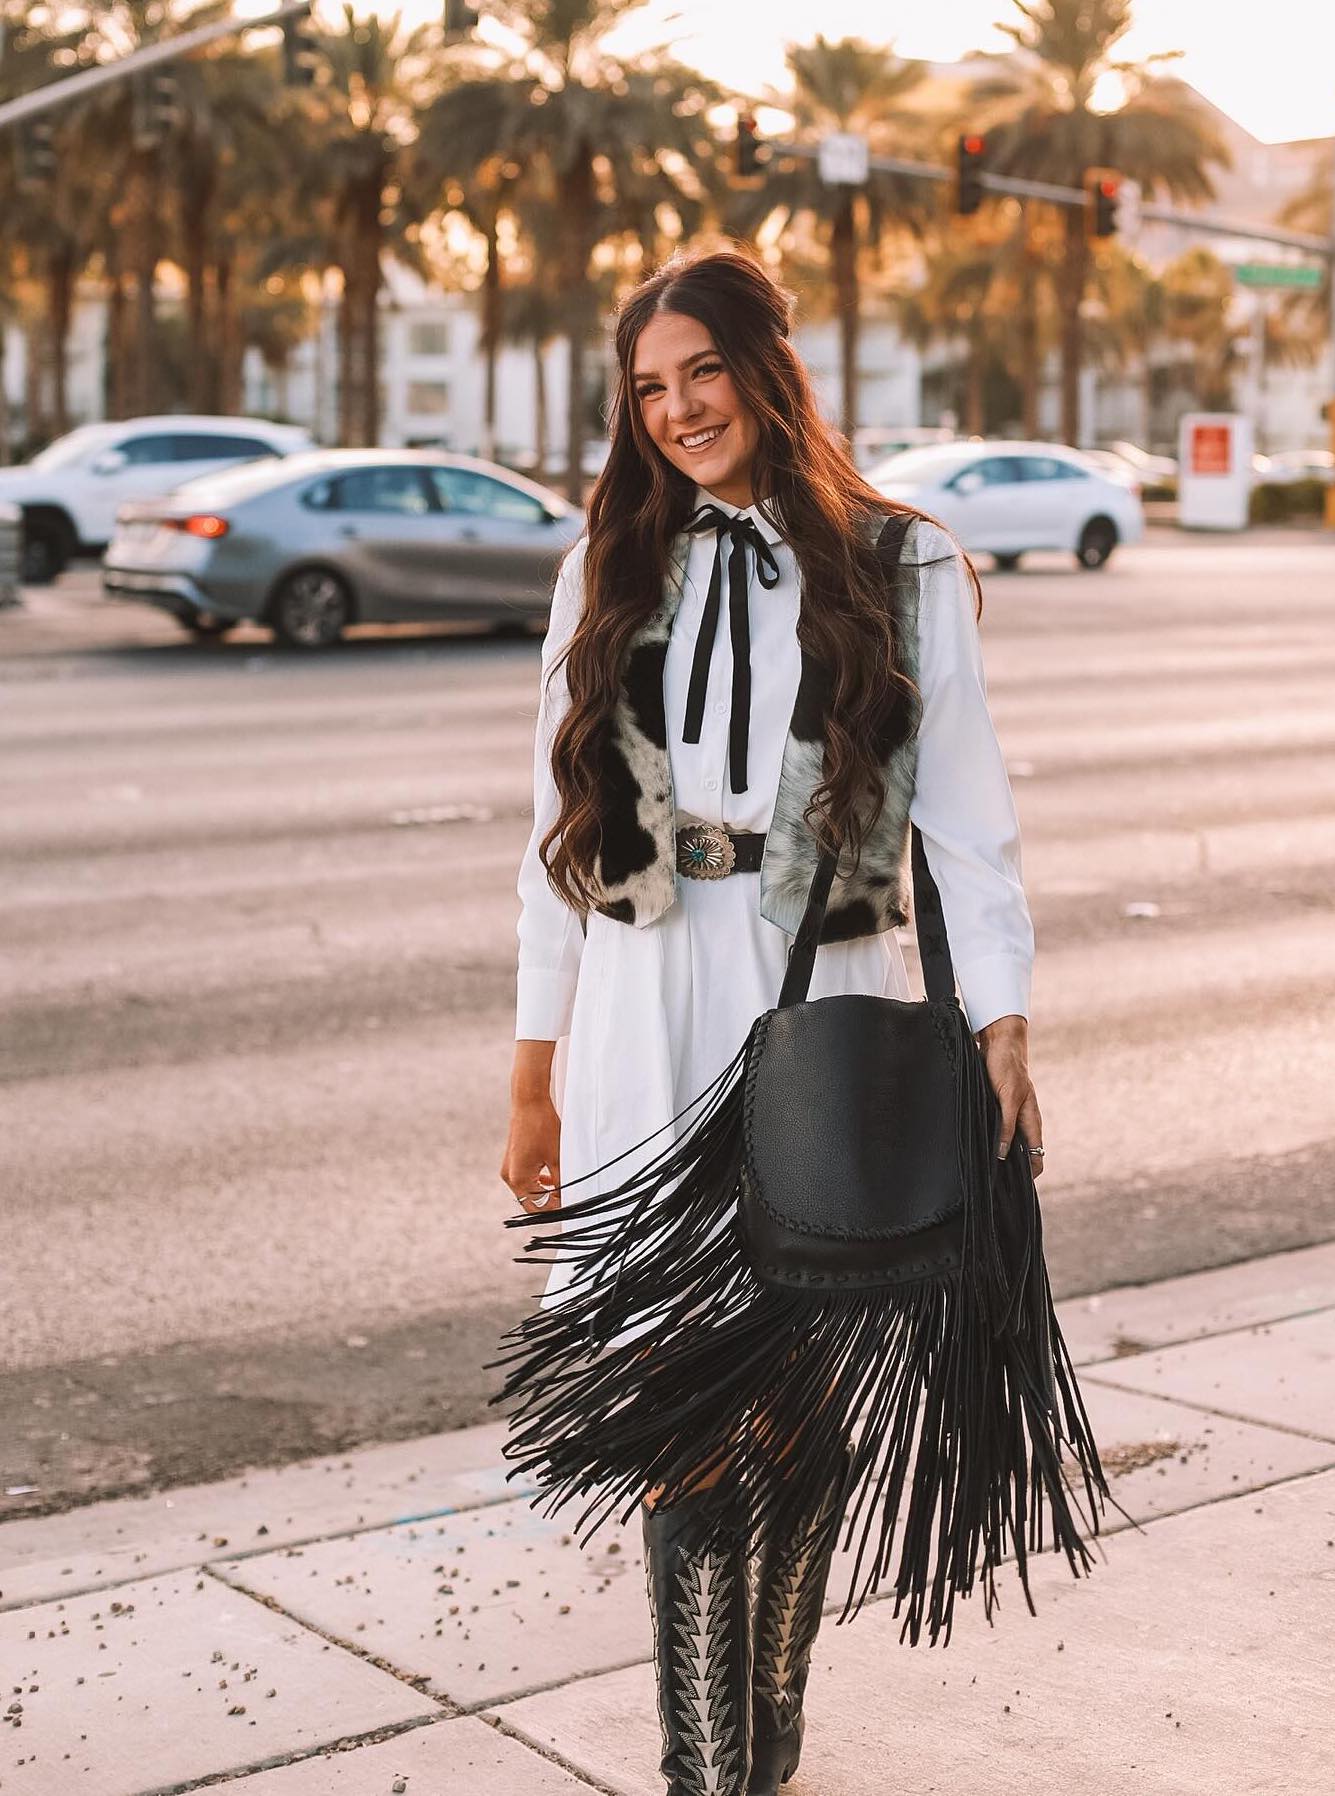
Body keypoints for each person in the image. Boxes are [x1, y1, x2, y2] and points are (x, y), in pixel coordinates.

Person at [499, 245, 1042, 1796]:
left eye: (701, 373)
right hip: (643, 1016)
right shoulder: (604, 562)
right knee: (676, 1395)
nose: (676, 409)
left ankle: (774, 1698)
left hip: (829, 1010)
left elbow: (969, 820)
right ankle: (713, 1767)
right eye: (648, 388)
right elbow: (551, 832)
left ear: (765, 370)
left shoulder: (904, 564)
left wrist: (1000, 1022)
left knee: (801, 1394)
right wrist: (534, 1067)